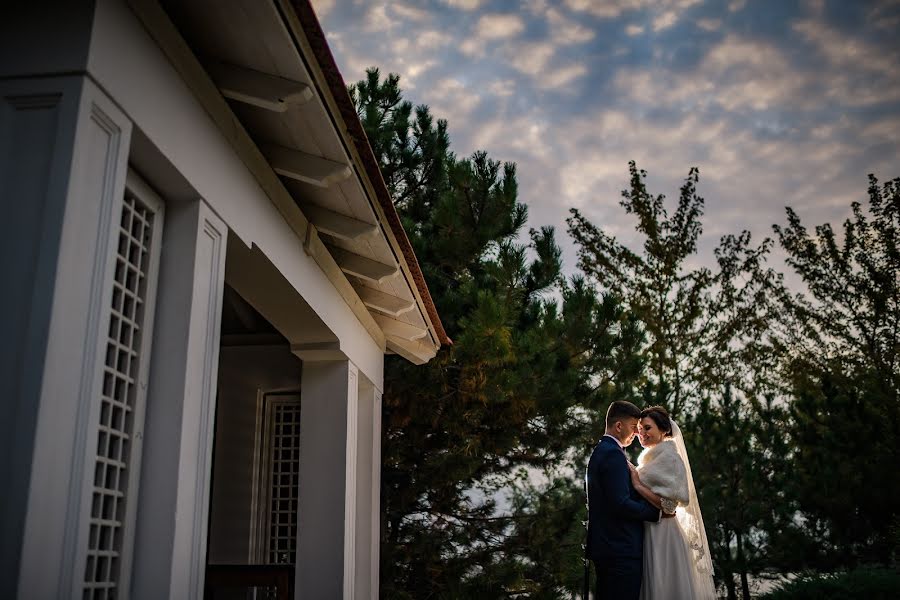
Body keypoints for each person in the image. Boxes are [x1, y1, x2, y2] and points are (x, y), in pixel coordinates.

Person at [628, 406, 717, 600]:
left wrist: (637, 484)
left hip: (664, 534)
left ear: (664, 430)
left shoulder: (671, 459)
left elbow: (670, 506)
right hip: (650, 530)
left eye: (648, 428)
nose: (642, 433)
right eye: (640, 428)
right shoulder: (650, 460)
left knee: (665, 587)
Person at [585, 400, 671, 600]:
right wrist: (656, 512)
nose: (637, 434)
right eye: (634, 428)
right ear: (618, 426)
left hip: (609, 547)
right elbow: (620, 503)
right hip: (620, 550)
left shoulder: (602, 451)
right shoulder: (613, 454)